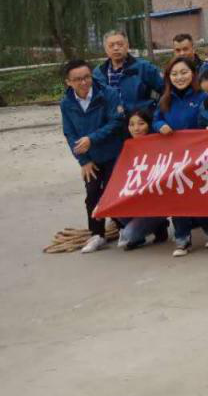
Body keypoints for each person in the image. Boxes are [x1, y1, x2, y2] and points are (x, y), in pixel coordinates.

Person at [153, 57, 208, 256]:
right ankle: (182, 238)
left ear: (193, 73)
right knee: (177, 196)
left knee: (200, 195)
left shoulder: (203, 96)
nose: (179, 77)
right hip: (175, 157)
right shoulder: (165, 99)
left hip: (200, 155)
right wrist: (160, 126)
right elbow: (156, 119)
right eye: (174, 74)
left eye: (184, 72)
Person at [59, 59, 126, 254]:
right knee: (92, 194)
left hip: (114, 153)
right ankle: (97, 234)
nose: (84, 82)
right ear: (68, 82)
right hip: (90, 158)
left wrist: (92, 138)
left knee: (115, 192)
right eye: (77, 79)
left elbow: (116, 122)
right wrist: (84, 161)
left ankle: (123, 228)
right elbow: (69, 133)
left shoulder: (108, 94)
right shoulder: (66, 103)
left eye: (87, 77)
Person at [117, 109, 171, 251]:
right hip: (136, 200)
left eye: (141, 124)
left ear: (149, 124)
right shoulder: (126, 147)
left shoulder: (159, 145)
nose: (136, 128)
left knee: (128, 234)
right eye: (132, 124)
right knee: (114, 208)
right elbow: (117, 179)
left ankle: (159, 223)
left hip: (156, 203)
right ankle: (145, 233)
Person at [92, 29, 164, 114]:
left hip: (140, 118)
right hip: (110, 119)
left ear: (127, 46)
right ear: (105, 49)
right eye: (111, 45)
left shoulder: (144, 67)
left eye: (120, 44)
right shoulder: (98, 73)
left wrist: (153, 113)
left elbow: (165, 91)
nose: (116, 48)